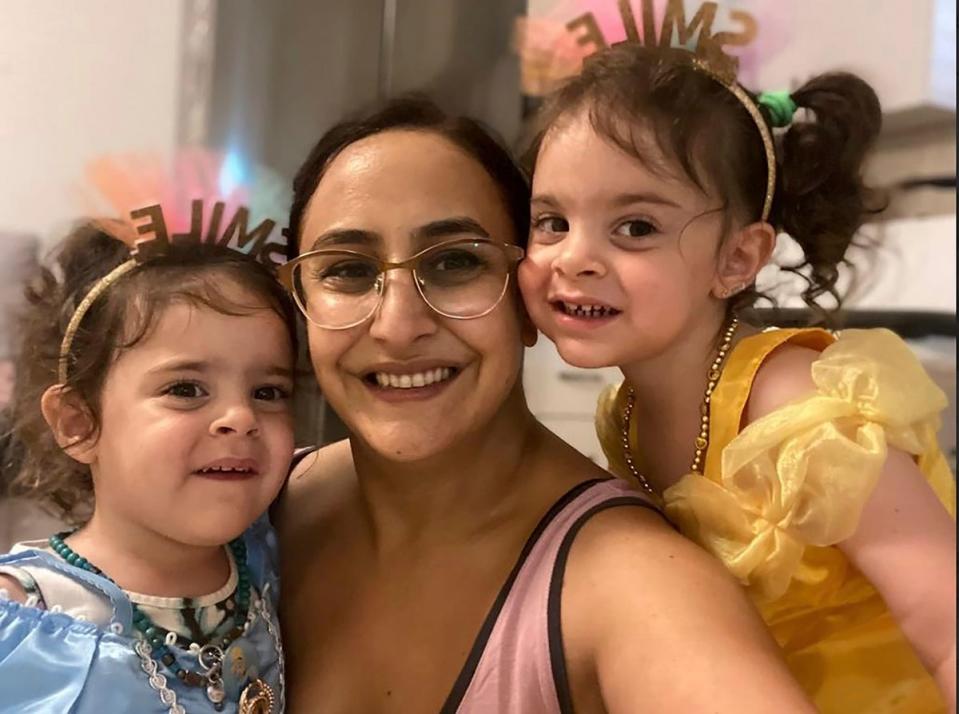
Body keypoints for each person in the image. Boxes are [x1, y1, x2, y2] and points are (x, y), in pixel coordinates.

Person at [275, 95, 814, 713]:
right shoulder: (246, 510)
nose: (398, 326)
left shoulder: (632, 587)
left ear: (528, 299)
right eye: (346, 269)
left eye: (455, 262)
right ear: (300, 302)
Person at [517, 42, 956, 713]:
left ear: (736, 258)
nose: (573, 257)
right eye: (552, 221)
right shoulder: (625, 410)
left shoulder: (800, 413)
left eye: (634, 227)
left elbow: (948, 627)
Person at [0, 215, 295, 713]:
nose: (241, 418)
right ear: (78, 423)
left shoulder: (270, 558)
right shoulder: (24, 618)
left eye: (268, 392)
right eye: (185, 389)